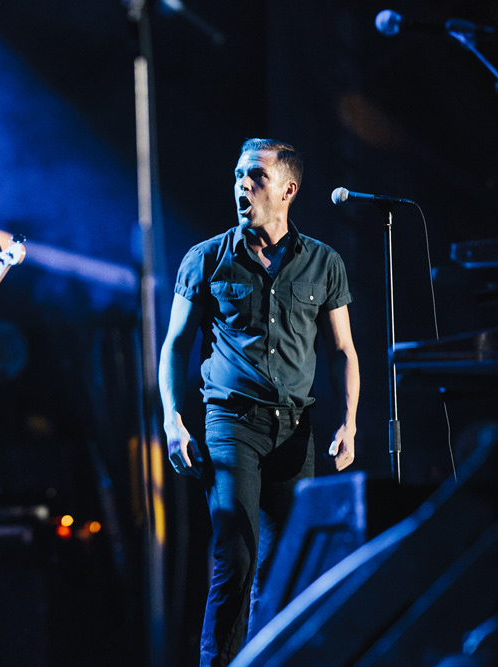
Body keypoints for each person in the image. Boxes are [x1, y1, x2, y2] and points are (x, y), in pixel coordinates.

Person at [158, 138, 360, 666]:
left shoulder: (323, 262)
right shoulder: (206, 259)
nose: (242, 185)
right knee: (237, 554)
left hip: (294, 431)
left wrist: (350, 422)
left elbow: (343, 350)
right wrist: (173, 420)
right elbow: (175, 346)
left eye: (256, 176)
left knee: (286, 565)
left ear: (288, 190)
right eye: (238, 176)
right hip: (230, 426)